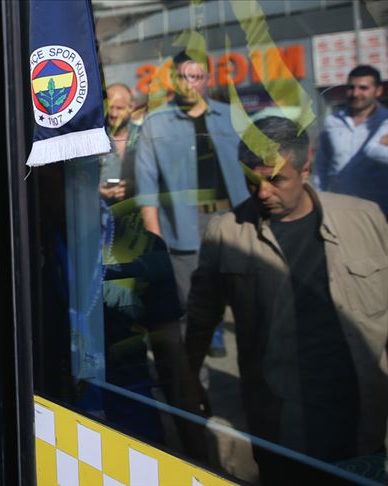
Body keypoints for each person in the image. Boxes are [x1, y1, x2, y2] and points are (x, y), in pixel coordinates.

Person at [185, 116, 388, 484]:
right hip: (282, 426)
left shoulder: (365, 219)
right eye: (252, 180)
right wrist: (188, 381)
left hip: (363, 419)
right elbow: (201, 317)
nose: (262, 193)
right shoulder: (226, 233)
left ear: (305, 170)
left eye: (276, 180)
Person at [135, 50, 250, 357]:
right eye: (183, 77)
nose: (190, 85)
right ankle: (195, 386)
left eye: (196, 77)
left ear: (207, 80)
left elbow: (255, 171)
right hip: (184, 226)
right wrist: (157, 241)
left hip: (234, 219)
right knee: (190, 306)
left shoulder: (232, 117)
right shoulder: (155, 125)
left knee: (246, 301)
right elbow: (147, 190)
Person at [313, 64, 388, 215]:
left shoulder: (385, 121)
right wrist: (317, 198)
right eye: (351, 87)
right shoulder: (332, 122)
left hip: (379, 209)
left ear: (378, 90)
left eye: (363, 88)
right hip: (340, 208)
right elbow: (322, 165)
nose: (355, 93)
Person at [99, 83, 141, 203]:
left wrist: (135, 186)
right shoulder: (95, 138)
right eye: (111, 107)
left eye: (119, 108)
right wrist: (98, 190)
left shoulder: (144, 136)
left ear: (131, 107)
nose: (113, 114)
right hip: (103, 213)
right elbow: (80, 179)